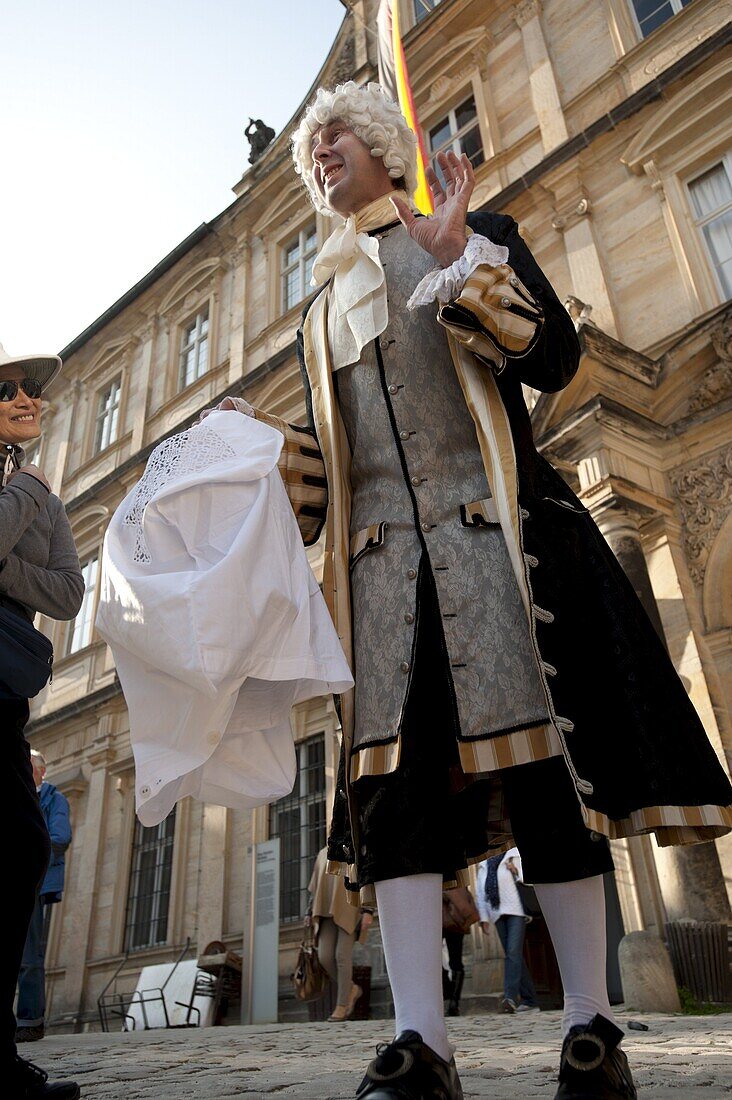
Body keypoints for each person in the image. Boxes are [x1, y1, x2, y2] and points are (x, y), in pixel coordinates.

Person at [208, 81, 732, 1100]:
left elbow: (559, 360)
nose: (318, 160)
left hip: (506, 557)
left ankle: (592, 1024)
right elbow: (334, 472)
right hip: (382, 588)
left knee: (552, 787)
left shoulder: (475, 235)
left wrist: (462, 268)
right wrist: (265, 449)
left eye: (334, 143)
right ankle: (420, 1042)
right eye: (311, 151)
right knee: (394, 806)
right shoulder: (316, 316)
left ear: (379, 147)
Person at [0, 342, 84, 1098]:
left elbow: (68, 595)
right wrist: (24, 485)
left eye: (32, 391)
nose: (27, 399)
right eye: (10, 389)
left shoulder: (44, 497)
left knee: (21, 847)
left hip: (5, 688)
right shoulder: (34, 486)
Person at [16, 750, 72, 1043]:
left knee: (29, 954)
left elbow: (59, 838)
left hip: (33, 880)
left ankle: (30, 1020)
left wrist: (28, 854)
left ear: (39, 771)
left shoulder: (53, 798)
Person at [306, 846, 374, 1021]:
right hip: (325, 911)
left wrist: (368, 910)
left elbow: (364, 877)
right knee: (325, 957)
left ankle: (341, 1005)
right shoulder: (322, 853)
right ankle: (351, 989)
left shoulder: (354, 847)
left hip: (349, 909)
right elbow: (316, 887)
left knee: (341, 957)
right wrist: (308, 912)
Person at [477, 848, 539, 1015]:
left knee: (512, 952)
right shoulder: (484, 864)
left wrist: (517, 871)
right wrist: (483, 918)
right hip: (497, 913)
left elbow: (530, 878)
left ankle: (510, 998)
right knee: (513, 955)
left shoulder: (514, 854)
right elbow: (480, 893)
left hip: (516, 911)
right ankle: (530, 1000)